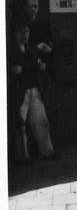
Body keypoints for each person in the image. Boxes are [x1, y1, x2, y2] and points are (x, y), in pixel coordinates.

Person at [7, 18, 56, 164]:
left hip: (34, 88)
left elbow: (37, 64)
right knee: (20, 123)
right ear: (15, 34)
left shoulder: (31, 49)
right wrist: (11, 71)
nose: (24, 35)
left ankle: (46, 152)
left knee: (41, 121)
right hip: (19, 90)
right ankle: (22, 157)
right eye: (21, 32)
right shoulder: (10, 50)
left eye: (27, 31)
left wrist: (41, 67)